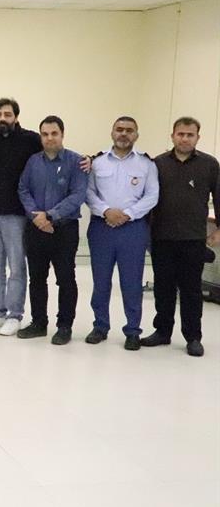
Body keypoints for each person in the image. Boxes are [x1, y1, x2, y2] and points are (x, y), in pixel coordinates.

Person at [143, 117, 220, 357]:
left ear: (197, 137)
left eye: (190, 135)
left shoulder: (209, 164)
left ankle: (193, 337)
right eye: (180, 134)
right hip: (162, 237)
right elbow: (147, 199)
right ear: (173, 136)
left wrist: (219, 228)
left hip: (193, 239)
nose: (185, 138)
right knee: (163, 288)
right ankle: (162, 331)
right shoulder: (158, 164)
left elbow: (219, 197)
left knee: (191, 291)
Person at [85, 116, 159, 350]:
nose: (123, 134)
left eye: (129, 130)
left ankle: (133, 331)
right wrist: (106, 211)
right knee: (100, 282)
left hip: (133, 229)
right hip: (101, 227)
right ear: (112, 133)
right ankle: (100, 326)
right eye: (119, 129)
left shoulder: (146, 164)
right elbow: (88, 192)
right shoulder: (97, 163)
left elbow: (152, 196)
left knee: (132, 283)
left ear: (136, 135)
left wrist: (127, 214)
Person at [16, 116, 87, 345]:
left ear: (62, 134)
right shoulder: (33, 162)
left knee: (65, 279)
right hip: (36, 228)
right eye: (45, 134)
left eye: (54, 133)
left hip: (64, 230)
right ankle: (39, 323)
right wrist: (36, 216)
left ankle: (64, 326)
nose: (49, 138)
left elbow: (78, 195)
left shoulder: (77, 162)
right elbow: (23, 189)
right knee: (37, 278)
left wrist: (50, 216)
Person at [0, 98, 42, 336]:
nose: (2, 119)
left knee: (16, 267)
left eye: (7, 114)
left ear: (16, 116)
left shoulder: (31, 140)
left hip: (17, 216)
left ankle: (15, 315)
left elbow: (54, 150)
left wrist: (90, 158)